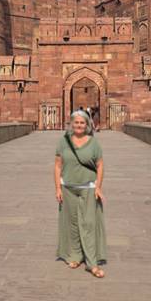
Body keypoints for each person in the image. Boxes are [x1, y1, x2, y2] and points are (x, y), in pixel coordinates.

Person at [54, 109, 107, 278]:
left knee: (89, 224)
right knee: (72, 224)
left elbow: (100, 165)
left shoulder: (94, 143)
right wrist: (57, 188)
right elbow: (57, 165)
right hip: (68, 187)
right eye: (76, 122)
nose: (78, 125)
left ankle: (91, 263)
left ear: (87, 124)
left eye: (82, 122)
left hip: (88, 187)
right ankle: (75, 256)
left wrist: (98, 187)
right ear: (71, 124)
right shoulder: (63, 142)